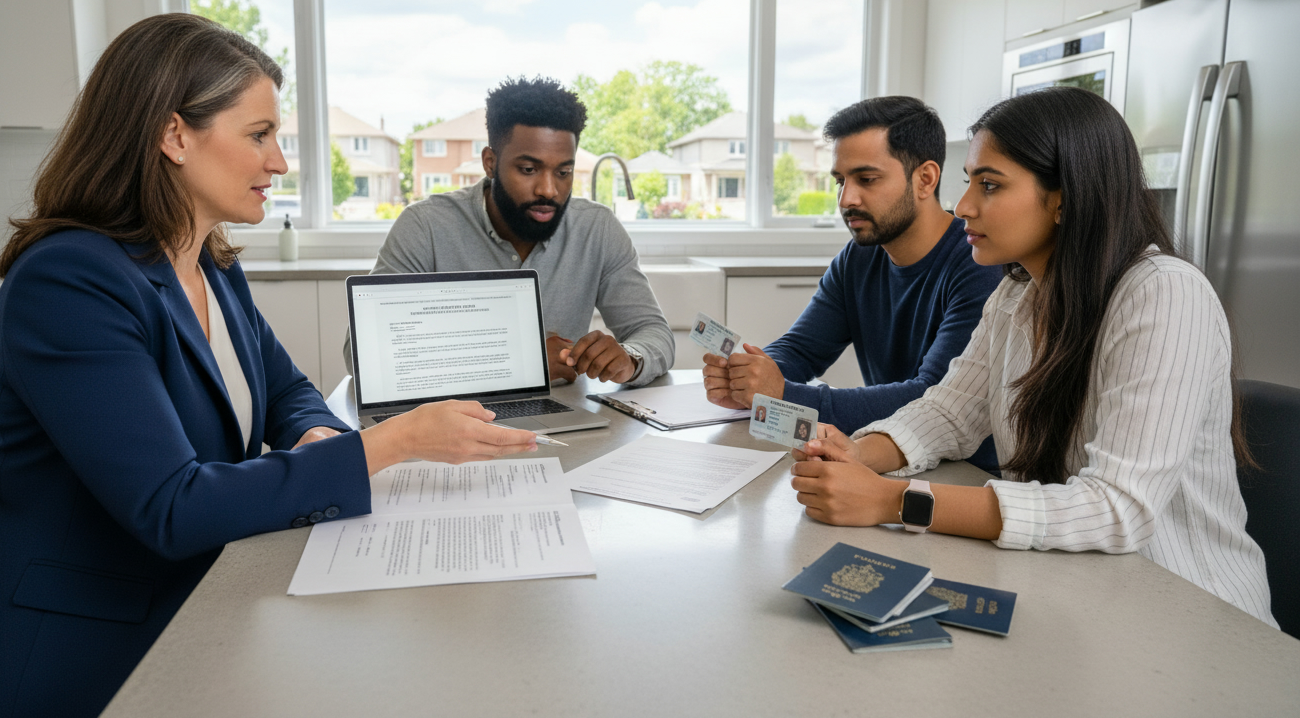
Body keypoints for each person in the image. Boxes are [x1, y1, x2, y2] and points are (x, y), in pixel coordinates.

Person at [0, 14, 537, 717]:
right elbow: (171, 507)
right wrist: (390, 444)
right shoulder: (70, 281)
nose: (280, 163)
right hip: (79, 644)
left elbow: (287, 390)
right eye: (259, 135)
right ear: (174, 135)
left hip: (193, 594)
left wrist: (315, 437)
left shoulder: (207, 261)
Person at [790, 87, 1276, 626]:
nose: (965, 205)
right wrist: (859, 456)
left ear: (1065, 197)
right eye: (969, 181)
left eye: (990, 185)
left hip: (1188, 617)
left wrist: (890, 500)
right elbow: (948, 412)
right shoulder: (1018, 293)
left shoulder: (1164, 295)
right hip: (1075, 589)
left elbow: (1116, 509)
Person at [703, 97, 1004, 471]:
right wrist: (749, 377)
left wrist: (782, 393)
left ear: (925, 179)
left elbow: (934, 397)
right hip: (882, 459)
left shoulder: (980, 263)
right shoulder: (860, 256)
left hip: (965, 473)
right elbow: (802, 349)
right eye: (840, 181)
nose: (846, 199)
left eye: (866, 179)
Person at [346, 77, 674, 386]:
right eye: (528, 170)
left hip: (566, 419)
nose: (549, 189)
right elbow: (361, 354)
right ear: (490, 162)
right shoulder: (426, 226)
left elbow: (653, 332)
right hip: (450, 418)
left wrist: (630, 359)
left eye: (563, 171)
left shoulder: (597, 229)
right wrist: (516, 361)